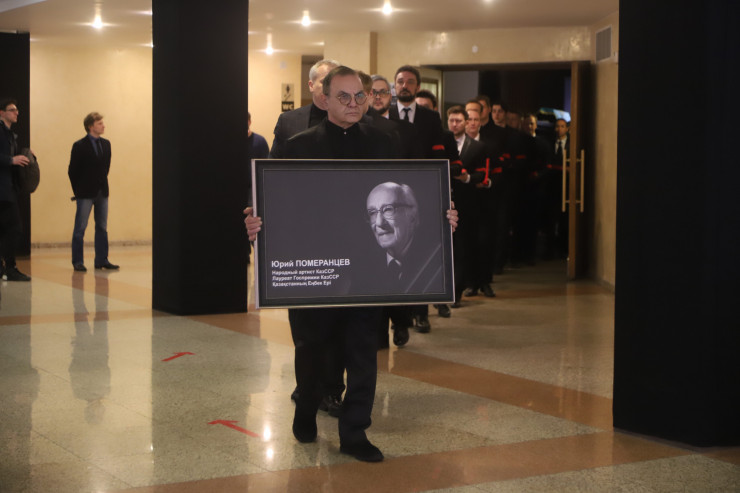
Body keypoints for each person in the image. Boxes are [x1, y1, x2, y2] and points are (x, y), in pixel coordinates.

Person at [244, 66, 457, 462]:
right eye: (343, 96)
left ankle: (355, 431)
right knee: (312, 349)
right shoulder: (298, 145)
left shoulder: (384, 141)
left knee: (362, 352)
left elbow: (409, 192)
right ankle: (307, 406)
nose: (354, 103)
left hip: (366, 268)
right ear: (324, 99)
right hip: (314, 268)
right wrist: (256, 220)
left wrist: (441, 217)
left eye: (359, 96)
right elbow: (273, 198)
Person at [365, 182, 445, 294]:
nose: (379, 223)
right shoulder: (364, 268)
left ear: (412, 215)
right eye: (372, 213)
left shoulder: (437, 258)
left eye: (388, 209)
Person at [68, 112, 118, 272]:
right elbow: (72, 171)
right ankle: (78, 261)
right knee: (80, 228)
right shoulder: (79, 145)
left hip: (102, 191)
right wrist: (78, 190)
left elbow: (105, 167)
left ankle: (102, 259)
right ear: (91, 126)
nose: (103, 126)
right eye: (99, 123)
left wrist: (100, 182)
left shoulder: (106, 144)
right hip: (85, 193)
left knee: (102, 226)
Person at [269, 59, 340, 158]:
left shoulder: (355, 120)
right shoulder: (287, 121)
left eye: (336, 83)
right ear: (311, 85)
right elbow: (274, 163)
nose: (330, 87)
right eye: (324, 82)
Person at [0, 98, 31, 281]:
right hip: (3, 189)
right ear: (1, 113)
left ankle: (5, 267)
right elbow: (6, 157)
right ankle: (10, 268)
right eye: (12, 109)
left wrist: (25, 154)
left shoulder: (10, 134)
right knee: (14, 228)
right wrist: (11, 160)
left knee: (5, 229)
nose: (16, 112)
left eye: (17, 110)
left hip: (8, 188)